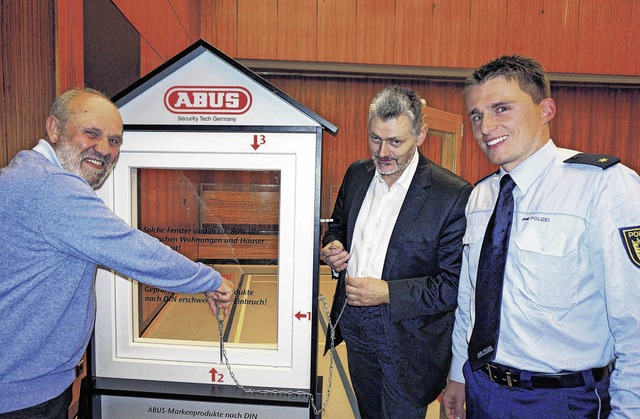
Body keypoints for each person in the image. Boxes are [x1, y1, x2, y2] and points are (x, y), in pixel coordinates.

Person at [0, 88, 235, 417]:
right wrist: (209, 279)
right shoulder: (51, 188)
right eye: (91, 133)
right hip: (20, 396)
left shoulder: (23, 177)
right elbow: (136, 252)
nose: (105, 150)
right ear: (54, 129)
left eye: (114, 141)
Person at [442, 55, 640, 418]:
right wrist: (458, 373)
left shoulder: (604, 187)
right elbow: (470, 299)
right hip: (483, 389)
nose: (486, 127)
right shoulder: (482, 196)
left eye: (501, 109)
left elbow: (636, 325)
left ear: (546, 109)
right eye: (477, 115)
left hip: (562, 400)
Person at [321, 85, 473, 418]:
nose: (383, 152)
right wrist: (332, 247)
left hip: (409, 338)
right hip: (355, 325)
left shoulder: (452, 195)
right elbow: (337, 226)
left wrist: (388, 292)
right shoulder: (356, 175)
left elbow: (452, 286)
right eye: (375, 139)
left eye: (395, 142)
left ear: (421, 135)